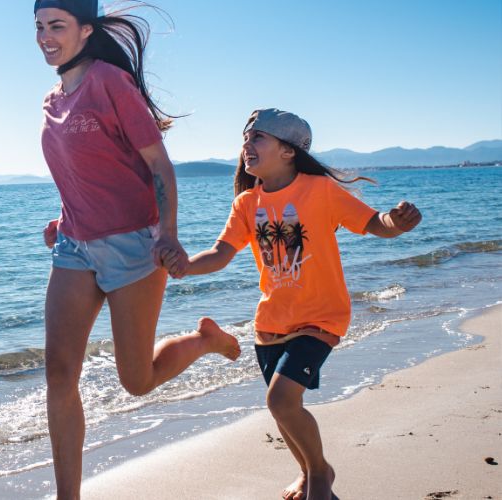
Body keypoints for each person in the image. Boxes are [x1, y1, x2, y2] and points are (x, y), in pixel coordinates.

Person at [34, 0, 241, 497]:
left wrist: (168, 233)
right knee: (60, 374)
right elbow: (86, 169)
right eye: (39, 26)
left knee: (137, 380)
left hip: (134, 247)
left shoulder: (110, 82)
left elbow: (159, 166)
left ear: (86, 31)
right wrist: (65, 219)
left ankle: (206, 341)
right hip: (74, 248)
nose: (45, 36)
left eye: (56, 26)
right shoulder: (52, 99)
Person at [163, 108, 422, 500]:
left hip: (321, 317)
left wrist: (396, 223)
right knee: (282, 409)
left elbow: (374, 224)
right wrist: (184, 266)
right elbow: (220, 252)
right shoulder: (247, 203)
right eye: (245, 140)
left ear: (288, 151)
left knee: (281, 399)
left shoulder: (320, 190)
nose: (246, 146)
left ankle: (319, 475)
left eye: (257, 138)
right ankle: (310, 472)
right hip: (271, 322)